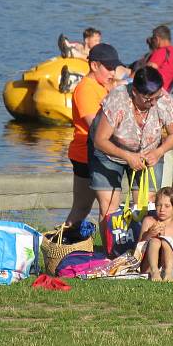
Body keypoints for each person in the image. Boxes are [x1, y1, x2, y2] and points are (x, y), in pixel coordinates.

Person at [91, 66, 173, 226]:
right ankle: (111, 250)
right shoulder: (117, 100)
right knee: (109, 207)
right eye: (148, 99)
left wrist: (158, 152)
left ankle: (141, 247)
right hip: (108, 152)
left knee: (148, 205)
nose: (153, 103)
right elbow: (100, 140)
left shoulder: (165, 101)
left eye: (156, 97)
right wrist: (127, 156)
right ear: (134, 93)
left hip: (149, 152)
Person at [64, 43, 125, 227]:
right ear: (94, 65)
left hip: (98, 154)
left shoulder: (102, 86)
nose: (113, 73)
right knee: (100, 207)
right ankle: (60, 244)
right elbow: (95, 125)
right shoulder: (86, 89)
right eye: (109, 68)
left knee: (84, 207)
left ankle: (62, 244)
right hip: (86, 155)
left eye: (114, 68)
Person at [136, 186, 173, 282]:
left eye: (167, 206)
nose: (162, 209)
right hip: (148, 266)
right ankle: (154, 271)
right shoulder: (149, 221)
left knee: (166, 241)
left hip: (169, 266)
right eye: (159, 205)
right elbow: (139, 246)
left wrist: (165, 239)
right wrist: (149, 234)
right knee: (155, 241)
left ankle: (167, 273)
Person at [145, 25, 173, 92]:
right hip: (164, 88)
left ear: (157, 39)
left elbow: (145, 72)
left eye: (153, 39)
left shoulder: (161, 52)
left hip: (153, 89)